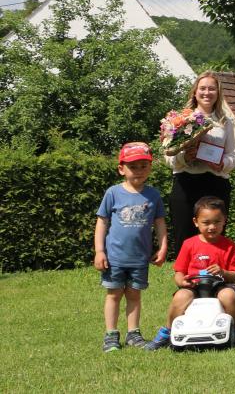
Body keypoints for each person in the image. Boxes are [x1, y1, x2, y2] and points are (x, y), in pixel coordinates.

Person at [145, 196, 235, 350]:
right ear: (196, 222)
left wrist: (223, 272)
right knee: (180, 296)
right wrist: (182, 282)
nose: (211, 227)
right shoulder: (189, 244)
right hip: (194, 285)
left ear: (224, 221)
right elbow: (179, 272)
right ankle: (167, 331)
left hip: (220, 284)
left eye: (216, 222)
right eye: (206, 223)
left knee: (228, 295)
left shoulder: (228, 245)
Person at [94, 142, 169, 352]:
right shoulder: (113, 193)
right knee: (114, 295)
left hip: (140, 259)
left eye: (143, 166)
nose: (138, 171)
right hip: (114, 258)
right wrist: (99, 251)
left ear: (150, 168)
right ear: (121, 169)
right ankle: (111, 335)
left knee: (134, 295)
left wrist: (162, 248)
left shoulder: (153, 195)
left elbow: (160, 223)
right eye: (133, 166)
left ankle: (133, 334)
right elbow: (102, 222)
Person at [165, 72, 235, 254]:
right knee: (185, 240)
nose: (207, 92)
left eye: (212, 88)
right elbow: (168, 157)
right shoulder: (179, 120)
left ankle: (213, 280)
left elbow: (233, 155)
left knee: (214, 240)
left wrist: (222, 164)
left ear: (218, 92)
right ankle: (187, 281)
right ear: (195, 92)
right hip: (185, 184)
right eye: (203, 88)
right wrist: (185, 158)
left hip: (216, 185)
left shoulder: (225, 121)